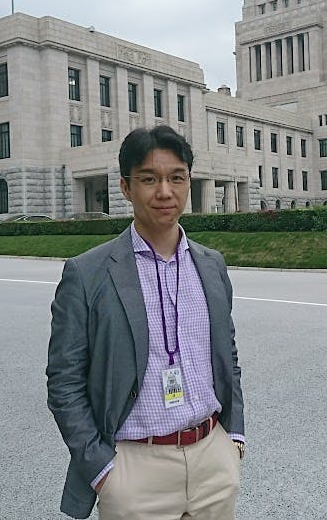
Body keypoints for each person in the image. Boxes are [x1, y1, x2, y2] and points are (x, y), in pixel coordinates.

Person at [47, 125, 245, 519]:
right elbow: (64, 380)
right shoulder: (88, 274)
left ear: (189, 182)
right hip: (134, 469)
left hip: (212, 461)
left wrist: (234, 437)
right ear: (125, 187)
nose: (165, 192)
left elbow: (228, 355)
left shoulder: (211, 265)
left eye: (177, 178)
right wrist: (103, 471)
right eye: (149, 179)